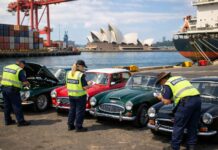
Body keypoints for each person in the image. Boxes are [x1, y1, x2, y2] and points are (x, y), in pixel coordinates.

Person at [155, 72, 201, 150]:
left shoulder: (168, 83)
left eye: (160, 83)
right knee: (192, 125)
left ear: (163, 79)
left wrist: (160, 97)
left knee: (178, 126)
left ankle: (174, 147)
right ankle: (191, 147)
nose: (161, 85)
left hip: (186, 103)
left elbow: (166, 102)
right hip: (197, 100)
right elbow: (181, 93)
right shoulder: (180, 78)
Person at [1, 60, 31, 127]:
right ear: (21, 64)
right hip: (12, 90)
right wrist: (28, 84)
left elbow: (4, 77)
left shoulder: (6, 67)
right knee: (17, 106)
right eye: (24, 65)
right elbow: (25, 82)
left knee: (7, 105)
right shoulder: (19, 70)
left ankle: (7, 121)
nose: (24, 67)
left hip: (4, 88)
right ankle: (21, 122)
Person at [66, 60, 91, 132]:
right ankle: (78, 127)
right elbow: (85, 87)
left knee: (72, 111)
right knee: (79, 112)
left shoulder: (68, 73)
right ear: (79, 66)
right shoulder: (80, 75)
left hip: (71, 95)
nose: (83, 68)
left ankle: (70, 126)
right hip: (80, 96)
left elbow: (67, 85)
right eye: (83, 67)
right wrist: (89, 84)